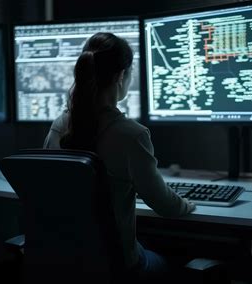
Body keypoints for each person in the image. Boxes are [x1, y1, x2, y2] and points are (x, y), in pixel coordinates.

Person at [43, 32, 196, 279]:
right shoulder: (132, 135)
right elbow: (166, 206)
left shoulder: (59, 125)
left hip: (65, 264)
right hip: (117, 266)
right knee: (172, 261)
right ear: (121, 76)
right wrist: (188, 203)